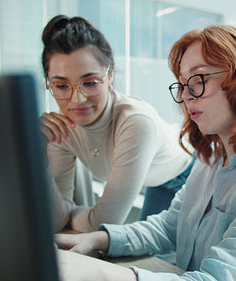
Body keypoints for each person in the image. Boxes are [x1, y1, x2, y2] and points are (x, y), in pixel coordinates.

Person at [55, 24, 236, 281]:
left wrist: (100, 273)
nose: (186, 95)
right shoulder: (216, 154)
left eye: (198, 79)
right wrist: (95, 239)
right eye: (183, 84)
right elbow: (170, 226)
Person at [40, 15, 193, 233]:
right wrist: (40, 155)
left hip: (185, 173)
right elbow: (55, 221)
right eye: (61, 86)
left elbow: (105, 224)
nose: (77, 99)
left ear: (110, 74)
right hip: (152, 177)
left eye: (90, 83)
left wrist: (69, 213)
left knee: (165, 260)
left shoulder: (136, 122)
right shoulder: (59, 128)